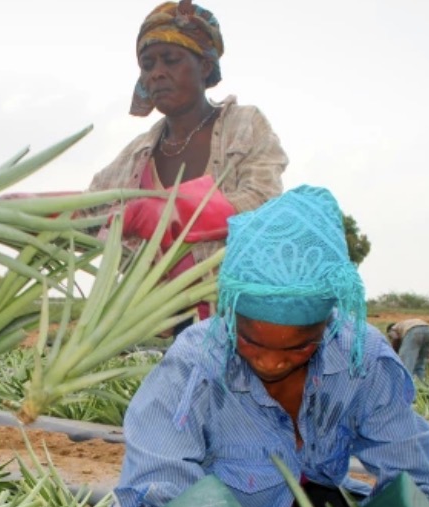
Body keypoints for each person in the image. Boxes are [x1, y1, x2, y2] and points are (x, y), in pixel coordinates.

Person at [106, 185, 429, 507]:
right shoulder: (194, 364)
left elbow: (408, 473)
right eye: (251, 340)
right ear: (230, 309)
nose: (271, 360)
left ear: (328, 322)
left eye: (299, 347)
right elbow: (152, 484)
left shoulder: (363, 359)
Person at [87, 0, 289, 335]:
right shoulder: (137, 154)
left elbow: (262, 200)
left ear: (205, 66)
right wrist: (35, 212)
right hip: (156, 328)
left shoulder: (243, 124)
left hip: (238, 322)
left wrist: (173, 213)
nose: (157, 73)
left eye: (171, 59)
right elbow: (89, 210)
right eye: (147, 64)